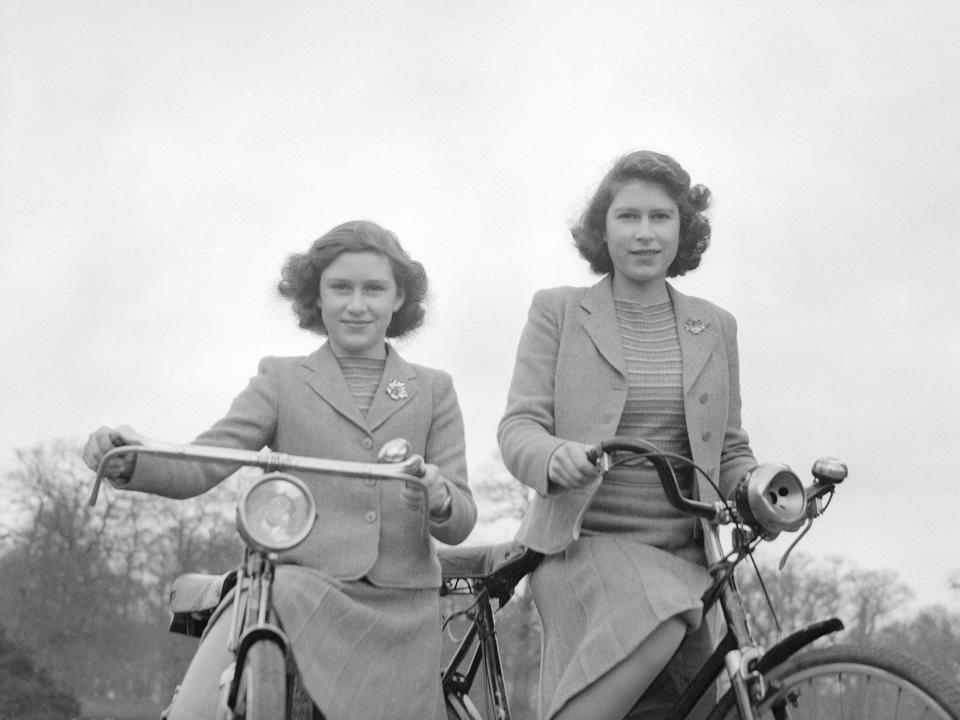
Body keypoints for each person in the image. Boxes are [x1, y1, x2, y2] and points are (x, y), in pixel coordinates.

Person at [83, 220, 477, 720]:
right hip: (306, 592)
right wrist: (128, 457)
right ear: (316, 296)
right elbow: (205, 463)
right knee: (284, 612)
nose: (357, 304)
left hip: (404, 609)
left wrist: (439, 496)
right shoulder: (281, 380)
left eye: (374, 289)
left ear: (400, 299)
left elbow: (461, 519)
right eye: (340, 288)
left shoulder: (434, 389)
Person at [498, 150, 758, 720]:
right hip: (582, 546)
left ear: (683, 229)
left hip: (689, 557)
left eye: (661, 218)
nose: (645, 234)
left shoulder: (715, 325)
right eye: (628, 217)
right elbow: (519, 428)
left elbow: (728, 449)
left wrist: (763, 485)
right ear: (603, 228)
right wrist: (554, 456)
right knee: (664, 608)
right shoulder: (560, 312)